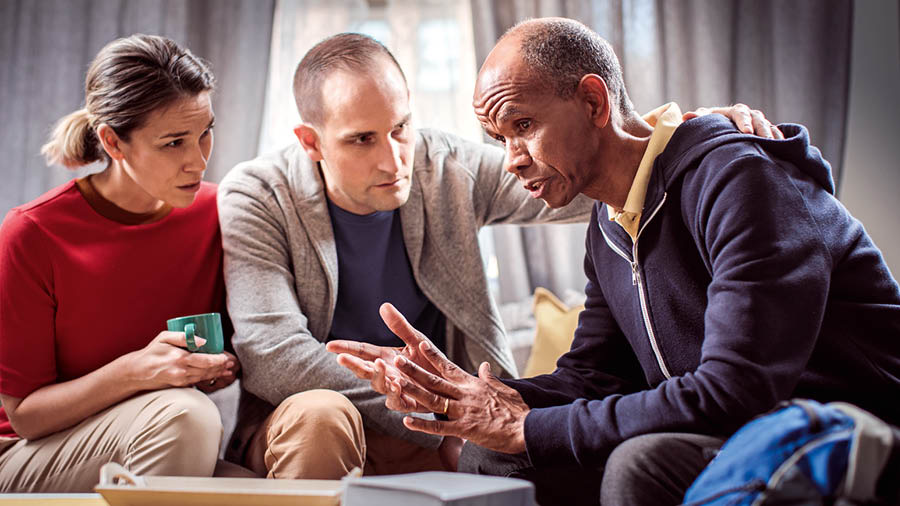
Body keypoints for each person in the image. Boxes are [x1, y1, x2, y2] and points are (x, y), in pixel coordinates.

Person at [331, 17, 900, 506]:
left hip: (846, 434)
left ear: (594, 101)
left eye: (523, 126)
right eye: (499, 138)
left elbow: (734, 390)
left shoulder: (737, 180)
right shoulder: (608, 223)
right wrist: (469, 398)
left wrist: (527, 425)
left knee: (641, 464)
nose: (511, 161)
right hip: (735, 436)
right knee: (492, 455)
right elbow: (595, 375)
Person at [218, 31, 778, 481]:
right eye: (362, 139)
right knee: (323, 416)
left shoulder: (441, 167)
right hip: (332, 417)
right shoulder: (257, 194)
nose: (394, 159)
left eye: (401, 128)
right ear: (310, 141)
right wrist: (445, 408)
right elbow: (273, 354)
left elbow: (584, 172)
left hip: (444, 428)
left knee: (511, 454)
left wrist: (682, 136)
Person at [0, 34, 246, 492]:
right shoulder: (34, 233)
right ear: (113, 142)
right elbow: (25, 415)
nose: (198, 160)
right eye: (173, 143)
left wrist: (213, 368)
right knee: (187, 417)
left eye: (205, 132)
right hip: (27, 453)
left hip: (156, 437)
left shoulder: (221, 212)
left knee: (271, 493)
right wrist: (138, 371)